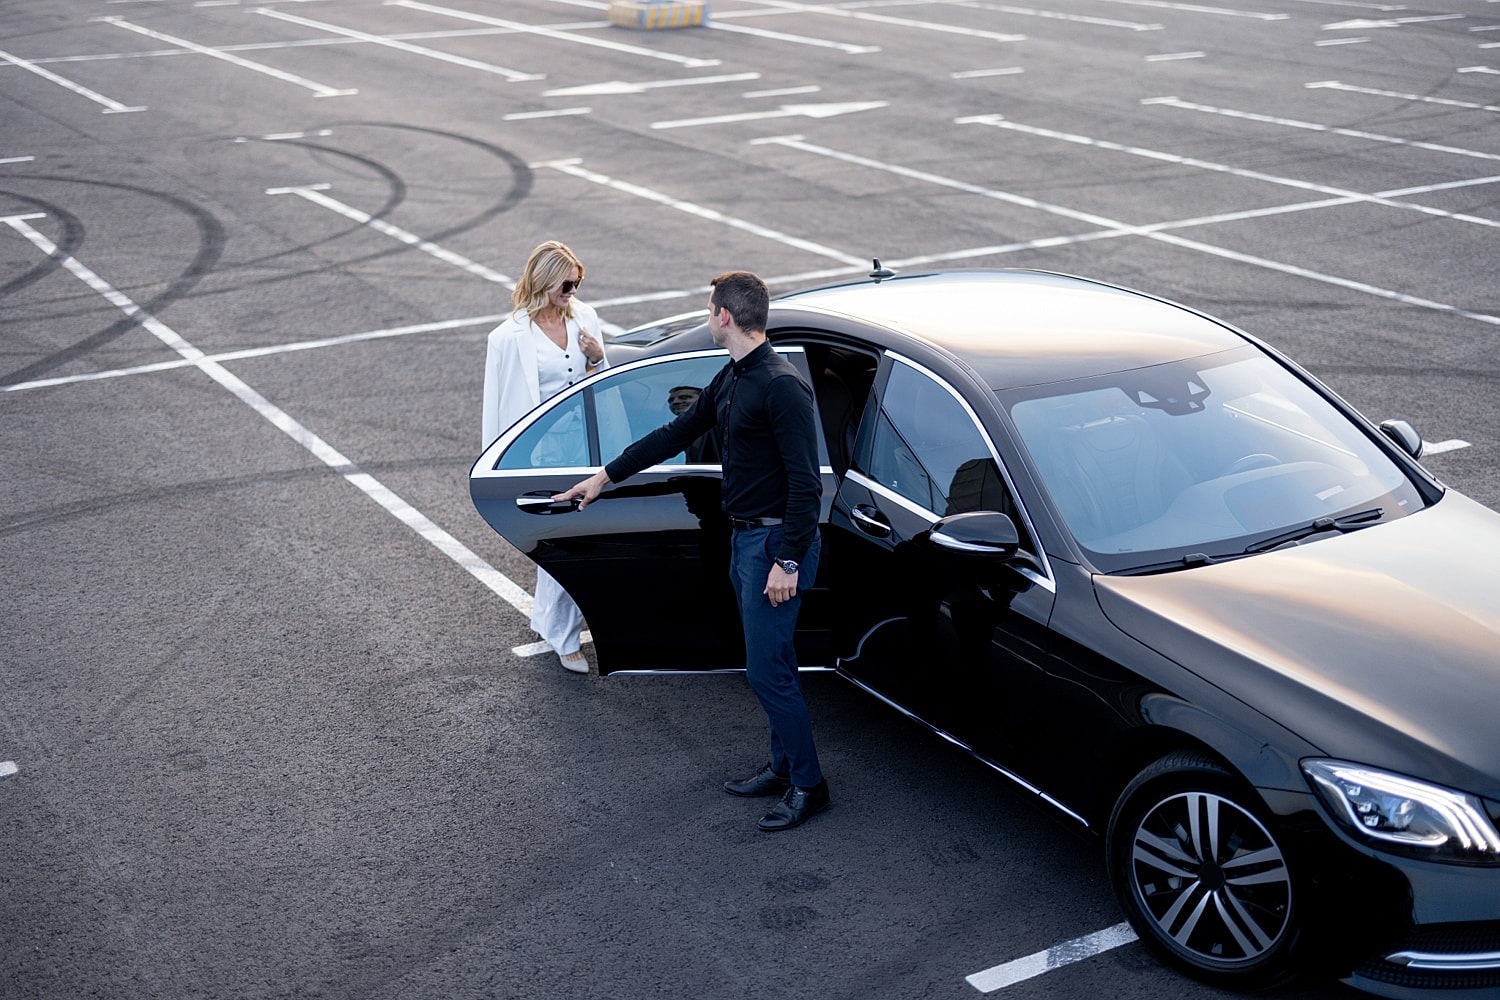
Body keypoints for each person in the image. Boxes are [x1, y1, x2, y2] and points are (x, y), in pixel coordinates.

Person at [554, 271, 829, 832]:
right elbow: (674, 433)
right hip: (746, 539)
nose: (707, 316)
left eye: (709, 309)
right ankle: (782, 767)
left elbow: (807, 485)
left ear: (725, 316)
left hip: (775, 545)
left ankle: (809, 784)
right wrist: (605, 477)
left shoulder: (780, 385)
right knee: (769, 664)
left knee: (767, 671)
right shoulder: (733, 378)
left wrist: (790, 561)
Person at [482, 240, 607, 674]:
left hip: (582, 448)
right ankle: (563, 635)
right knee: (558, 538)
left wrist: (597, 357)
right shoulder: (506, 338)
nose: (574, 289)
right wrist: (495, 466)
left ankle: (553, 623)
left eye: (578, 281)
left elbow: (600, 383)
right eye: (567, 283)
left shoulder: (585, 319)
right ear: (544, 280)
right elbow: (496, 405)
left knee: (576, 537)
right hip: (538, 453)